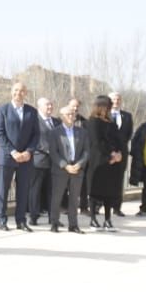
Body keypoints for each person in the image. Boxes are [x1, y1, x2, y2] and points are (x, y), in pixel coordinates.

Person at [0, 81, 40, 231]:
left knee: (23, 190)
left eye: (22, 91)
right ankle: (1, 219)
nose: (18, 93)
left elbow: (36, 135)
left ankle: (21, 220)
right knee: (3, 189)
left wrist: (28, 152)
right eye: (16, 90)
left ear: (26, 93)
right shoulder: (3, 110)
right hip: (7, 157)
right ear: (11, 92)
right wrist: (13, 152)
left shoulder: (32, 112)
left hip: (26, 158)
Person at [46, 103, 93, 233]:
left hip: (77, 169)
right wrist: (65, 166)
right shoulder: (55, 132)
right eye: (68, 114)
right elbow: (53, 152)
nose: (71, 116)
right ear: (62, 116)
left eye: (73, 114)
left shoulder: (82, 132)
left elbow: (87, 151)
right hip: (61, 169)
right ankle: (54, 223)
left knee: (74, 198)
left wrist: (79, 164)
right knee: (57, 197)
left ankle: (73, 225)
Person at [86, 96, 125, 231]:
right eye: (108, 106)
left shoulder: (111, 122)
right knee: (95, 191)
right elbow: (97, 142)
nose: (110, 108)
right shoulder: (93, 121)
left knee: (110, 191)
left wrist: (119, 153)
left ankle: (107, 219)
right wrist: (110, 155)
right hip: (98, 161)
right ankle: (93, 219)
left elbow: (119, 140)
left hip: (112, 162)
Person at [28, 97, 56, 225]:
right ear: (39, 107)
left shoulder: (56, 122)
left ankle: (53, 218)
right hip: (38, 160)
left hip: (54, 162)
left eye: (51, 105)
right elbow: (32, 139)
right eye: (47, 105)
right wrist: (47, 149)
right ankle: (33, 217)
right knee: (36, 190)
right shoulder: (34, 121)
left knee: (52, 191)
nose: (50, 107)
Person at [108, 91, 136, 215]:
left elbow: (129, 133)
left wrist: (120, 149)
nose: (116, 101)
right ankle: (98, 206)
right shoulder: (104, 115)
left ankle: (117, 207)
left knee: (119, 181)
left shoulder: (127, 116)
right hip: (107, 152)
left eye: (118, 99)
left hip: (122, 153)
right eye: (113, 99)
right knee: (103, 179)